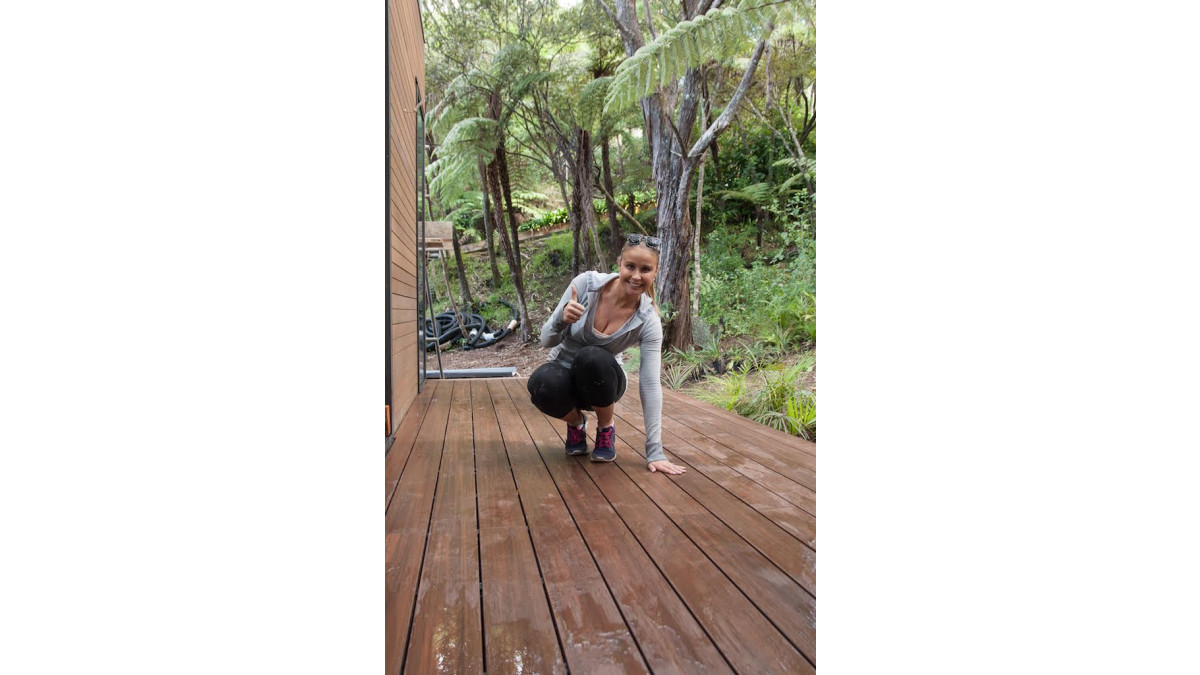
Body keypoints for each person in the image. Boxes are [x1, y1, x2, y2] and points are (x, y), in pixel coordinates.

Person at [526, 234, 687, 475]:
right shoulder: (585, 285)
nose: (636, 276)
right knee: (540, 383)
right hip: (563, 375)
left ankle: (605, 427)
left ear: (655, 273)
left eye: (645, 269)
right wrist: (560, 319)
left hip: (603, 383)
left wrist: (655, 451)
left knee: (592, 357)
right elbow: (546, 341)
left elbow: (650, 384)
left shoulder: (648, 320)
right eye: (630, 266)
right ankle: (576, 423)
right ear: (619, 263)